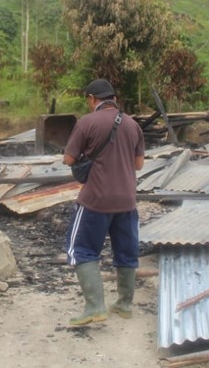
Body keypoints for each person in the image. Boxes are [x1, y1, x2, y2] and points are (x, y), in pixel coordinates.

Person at [62, 78, 145, 326]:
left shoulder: (87, 122)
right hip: (127, 200)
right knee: (126, 251)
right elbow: (138, 164)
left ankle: (95, 307)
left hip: (95, 200)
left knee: (81, 249)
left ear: (91, 99)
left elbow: (68, 159)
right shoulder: (132, 124)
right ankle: (124, 304)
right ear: (114, 99)